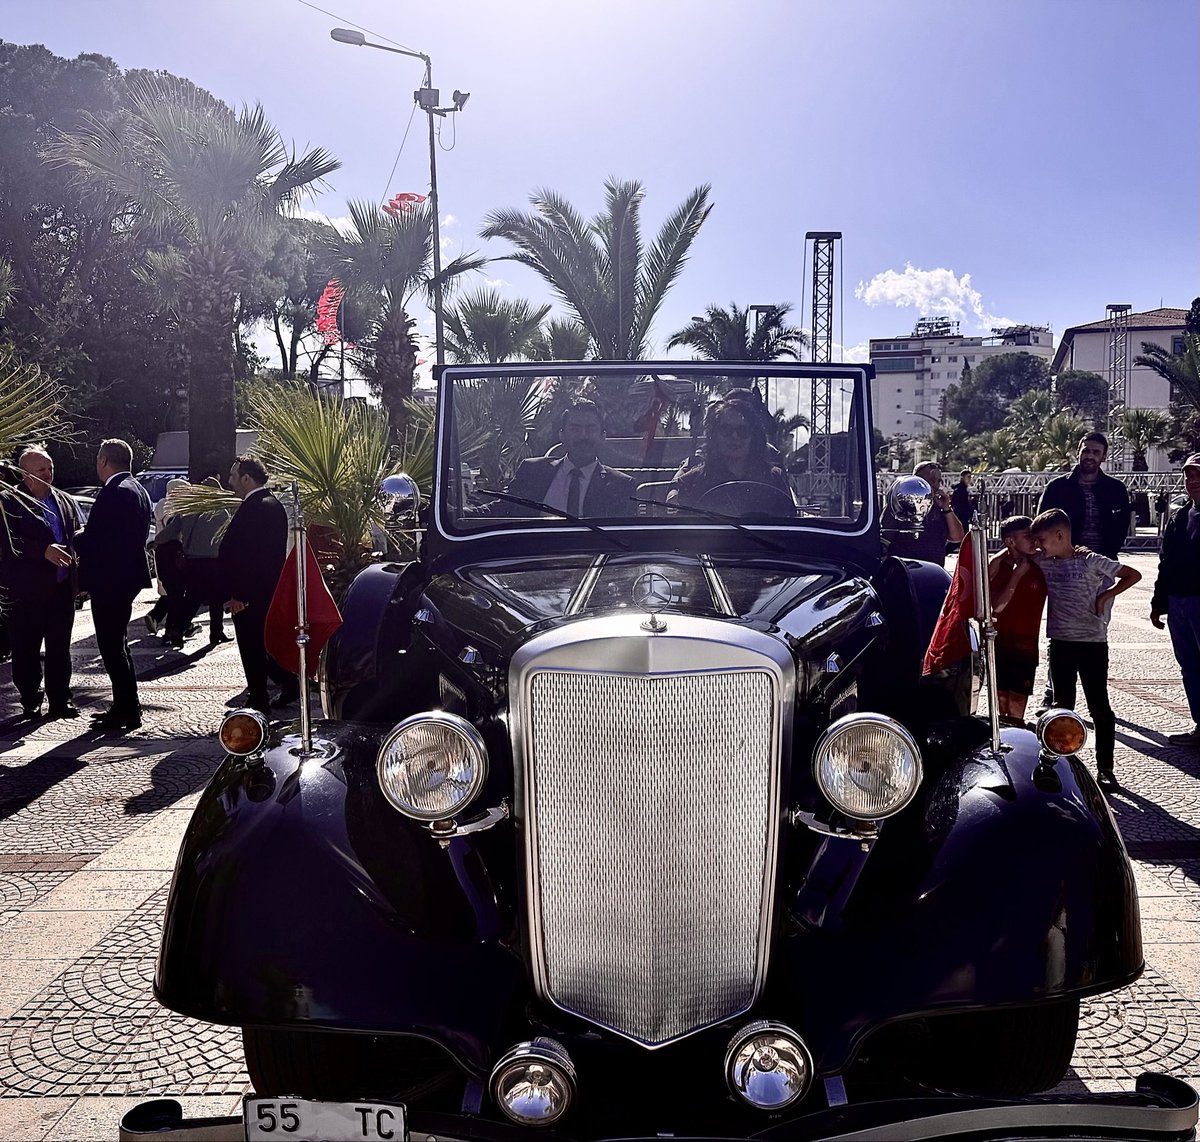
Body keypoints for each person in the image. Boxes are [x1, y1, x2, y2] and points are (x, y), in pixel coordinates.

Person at [1030, 507, 1141, 786]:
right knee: (1061, 707)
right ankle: (1057, 764)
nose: (1039, 546)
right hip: (1060, 644)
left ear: (1059, 535)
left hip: (1093, 644)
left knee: (1099, 707)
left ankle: (1106, 768)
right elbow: (1019, 555)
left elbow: (1133, 575)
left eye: (1042, 540)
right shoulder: (1045, 562)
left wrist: (1105, 596)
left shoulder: (1090, 560)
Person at [74, 439, 153, 731]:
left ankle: (127, 709)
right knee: (117, 645)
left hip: (111, 579)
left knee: (111, 646)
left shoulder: (115, 492)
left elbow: (101, 540)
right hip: (125, 577)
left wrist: (77, 538)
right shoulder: (137, 489)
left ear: (104, 461)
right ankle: (126, 705)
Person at [0, 446, 82, 719]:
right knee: (26, 648)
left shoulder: (64, 500)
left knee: (60, 648)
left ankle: (61, 700)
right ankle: (30, 698)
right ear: (25, 474)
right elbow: (7, 543)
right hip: (26, 592)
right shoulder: (9, 502)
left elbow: (74, 536)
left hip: (61, 589)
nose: (48, 474)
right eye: (42, 470)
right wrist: (42, 550)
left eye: (50, 468)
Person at [218, 456, 297, 715]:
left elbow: (250, 556)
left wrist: (240, 594)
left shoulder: (256, 507)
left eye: (233, 476)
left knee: (251, 646)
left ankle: (259, 698)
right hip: (263, 590)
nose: (230, 482)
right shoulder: (270, 504)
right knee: (264, 644)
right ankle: (288, 684)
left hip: (251, 594)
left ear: (246, 478)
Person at [504, 401, 635, 517]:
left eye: (590, 429)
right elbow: (503, 510)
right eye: (575, 429)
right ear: (562, 435)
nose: (583, 436)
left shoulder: (620, 485)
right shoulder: (532, 472)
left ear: (602, 436)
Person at [1150, 454, 1200, 746]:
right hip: (1179, 603)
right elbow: (1166, 562)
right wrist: (1158, 602)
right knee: (1190, 666)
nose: (1193, 481)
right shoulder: (1180, 517)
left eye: (1199, 475)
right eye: (1189, 476)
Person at [668, 396, 792, 513]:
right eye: (726, 430)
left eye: (743, 430)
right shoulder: (691, 482)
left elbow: (787, 521)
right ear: (714, 435)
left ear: (753, 437)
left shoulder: (774, 479)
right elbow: (684, 526)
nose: (735, 436)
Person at [988, 516, 1047, 724]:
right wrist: (1016, 575)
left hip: (1026, 645)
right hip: (1001, 643)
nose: (1033, 540)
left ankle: (1016, 736)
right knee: (1001, 700)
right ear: (1010, 541)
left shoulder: (1041, 561)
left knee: (1018, 701)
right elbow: (997, 607)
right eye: (1027, 536)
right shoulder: (999, 566)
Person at [1037, 432, 1131, 559]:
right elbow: (1041, 524)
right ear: (1078, 453)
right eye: (1086, 451)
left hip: (1104, 561)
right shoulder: (1057, 487)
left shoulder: (1116, 489)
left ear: (1104, 457)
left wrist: (1109, 554)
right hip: (1064, 561)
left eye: (1096, 452)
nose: (1090, 456)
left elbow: (1122, 526)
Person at [174, 474, 232, 647]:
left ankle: (179, 629)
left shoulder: (188, 511)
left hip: (193, 562)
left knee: (193, 598)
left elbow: (170, 532)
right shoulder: (221, 512)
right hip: (214, 562)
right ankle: (216, 632)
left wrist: (157, 543)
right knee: (216, 599)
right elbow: (228, 539)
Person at [882, 461, 965, 567]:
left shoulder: (939, 508)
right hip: (905, 571)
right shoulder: (899, 506)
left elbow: (957, 537)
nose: (934, 484)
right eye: (930, 480)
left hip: (933, 571)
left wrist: (946, 509)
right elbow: (883, 543)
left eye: (938, 481)